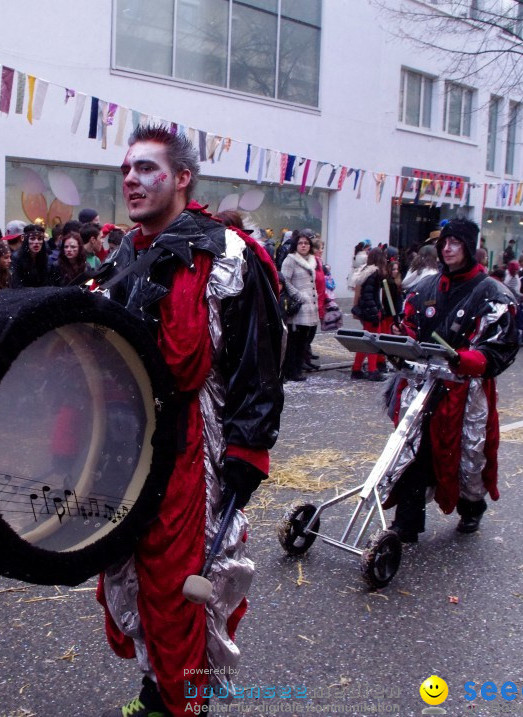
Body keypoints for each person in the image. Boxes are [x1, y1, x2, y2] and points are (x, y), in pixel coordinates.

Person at [96, 124, 283, 717]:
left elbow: (259, 361)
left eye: (147, 168)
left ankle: (184, 703)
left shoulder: (227, 253)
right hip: (126, 444)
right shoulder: (124, 253)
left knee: (182, 584)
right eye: (127, 169)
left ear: (182, 178)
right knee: (129, 570)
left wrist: (248, 450)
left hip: (192, 448)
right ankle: (157, 690)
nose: (132, 178)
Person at [389, 219, 519, 543]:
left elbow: (498, 346)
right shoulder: (424, 289)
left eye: (456, 243)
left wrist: (466, 360)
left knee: (467, 455)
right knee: (412, 448)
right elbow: (409, 329)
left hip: (466, 389)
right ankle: (406, 524)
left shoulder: (491, 292)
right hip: (424, 384)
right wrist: (397, 343)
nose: (447, 249)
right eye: (444, 243)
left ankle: (471, 509)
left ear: (470, 247)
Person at [280, 232, 319, 382]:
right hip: (298, 306)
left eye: (306, 243)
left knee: (304, 340)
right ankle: (291, 370)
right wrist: (299, 296)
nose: (304, 245)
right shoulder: (290, 260)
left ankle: (298, 367)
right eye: (301, 243)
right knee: (293, 341)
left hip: (310, 307)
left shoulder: (312, 261)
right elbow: (285, 281)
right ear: (295, 245)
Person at [349, 248, 386, 381]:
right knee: (373, 342)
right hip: (372, 313)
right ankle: (372, 370)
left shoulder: (366, 271)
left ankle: (357, 369)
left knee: (365, 341)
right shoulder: (374, 273)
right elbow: (370, 295)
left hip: (367, 312)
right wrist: (376, 312)